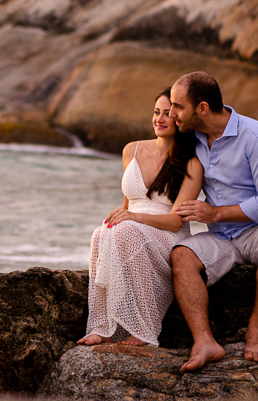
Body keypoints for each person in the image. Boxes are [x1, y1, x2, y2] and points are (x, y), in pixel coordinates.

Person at [167, 71, 258, 371]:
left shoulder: (254, 136)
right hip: (221, 239)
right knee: (181, 255)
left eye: (178, 106)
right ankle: (204, 341)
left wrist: (215, 213)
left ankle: (256, 327)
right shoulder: (193, 138)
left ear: (202, 108)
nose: (171, 112)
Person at [77, 87, 204, 347]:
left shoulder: (190, 163)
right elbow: (128, 202)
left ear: (180, 119)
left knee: (126, 231)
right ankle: (103, 326)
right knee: (102, 232)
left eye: (168, 114)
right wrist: (123, 217)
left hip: (168, 234)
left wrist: (134, 218)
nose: (160, 119)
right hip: (134, 227)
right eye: (156, 112)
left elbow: (176, 221)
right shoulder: (131, 150)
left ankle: (145, 329)